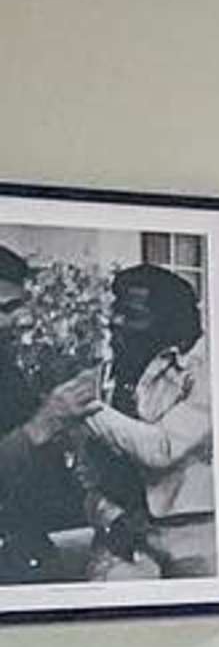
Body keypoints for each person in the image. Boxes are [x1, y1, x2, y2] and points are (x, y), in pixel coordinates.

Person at [73, 261, 217, 580]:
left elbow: (162, 449)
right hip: (119, 538)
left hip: (194, 539)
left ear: (169, 324)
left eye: (133, 315)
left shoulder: (207, 372)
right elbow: (86, 471)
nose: (115, 322)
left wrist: (84, 407)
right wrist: (111, 517)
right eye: (115, 310)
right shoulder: (100, 377)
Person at [0, 243, 102, 584]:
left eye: (17, 306)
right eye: (4, 308)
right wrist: (47, 421)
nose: (20, 320)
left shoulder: (6, 366)